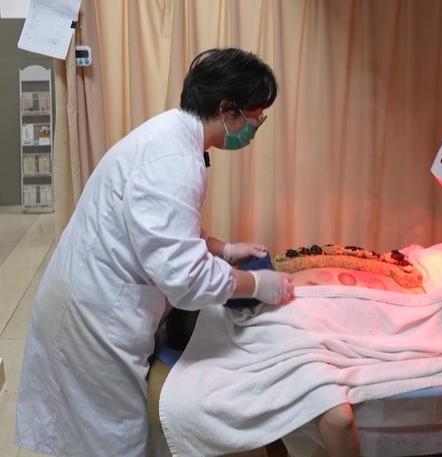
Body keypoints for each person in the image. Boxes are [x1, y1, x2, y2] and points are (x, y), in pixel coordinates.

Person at [15, 48, 294, 457]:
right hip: (96, 315)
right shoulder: (173, 161)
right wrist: (258, 284)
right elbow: (187, 280)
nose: (254, 129)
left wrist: (226, 249)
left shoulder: (173, 137)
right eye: (255, 117)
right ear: (226, 108)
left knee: (111, 434)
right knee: (115, 439)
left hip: (96, 294)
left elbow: (170, 229)